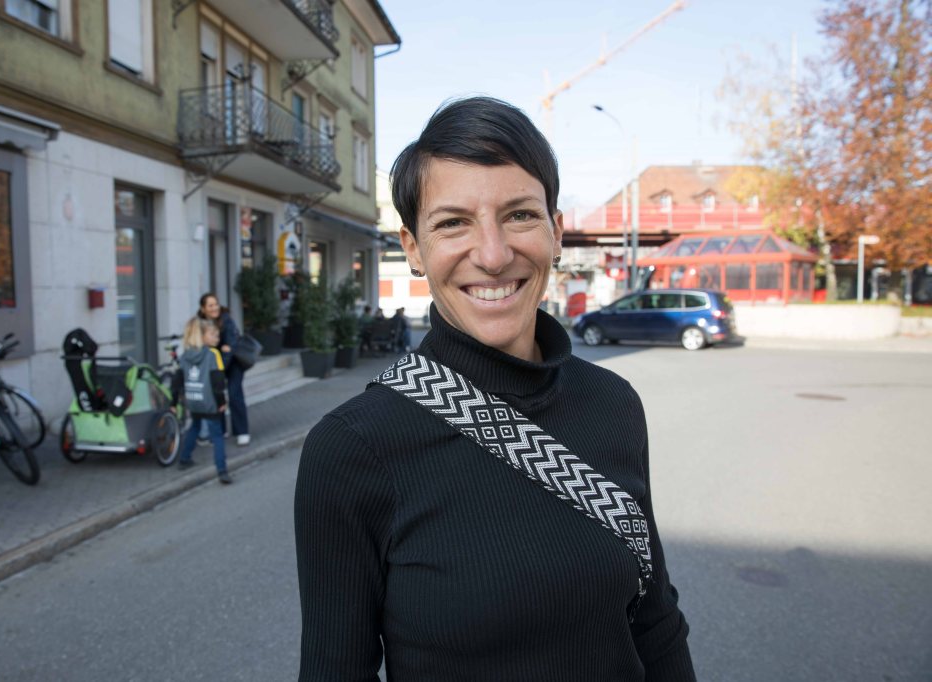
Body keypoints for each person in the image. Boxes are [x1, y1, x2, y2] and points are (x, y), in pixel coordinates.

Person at [295, 97, 695, 680]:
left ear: (557, 233)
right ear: (413, 248)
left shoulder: (613, 404)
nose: (493, 254)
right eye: (452, 222)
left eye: (520, 215)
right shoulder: (353, 448)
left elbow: (654, 620)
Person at [176, 317, 231, 484]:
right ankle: (222, 470)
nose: (217, 338)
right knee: (217, 435)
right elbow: (218, 381)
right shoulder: (212, 354)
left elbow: (177, 380)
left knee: (195, 427)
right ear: (202, 336)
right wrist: (222, 402)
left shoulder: (185, 355)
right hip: (210, 402)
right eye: (213, 335)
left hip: (194, 400)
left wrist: (174, 402)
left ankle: (184, 458)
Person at [198, 293, 251, 446]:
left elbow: (230, 348)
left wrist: (219, 368)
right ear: (203, 308)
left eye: (216, 304)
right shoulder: (200, 322)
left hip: (233, 363)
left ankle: (242, 431)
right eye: (210, 305)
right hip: (216, 364)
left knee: (234, 394)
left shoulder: (226, 320)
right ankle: (221, 430)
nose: (215, 308)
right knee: (217, 395)